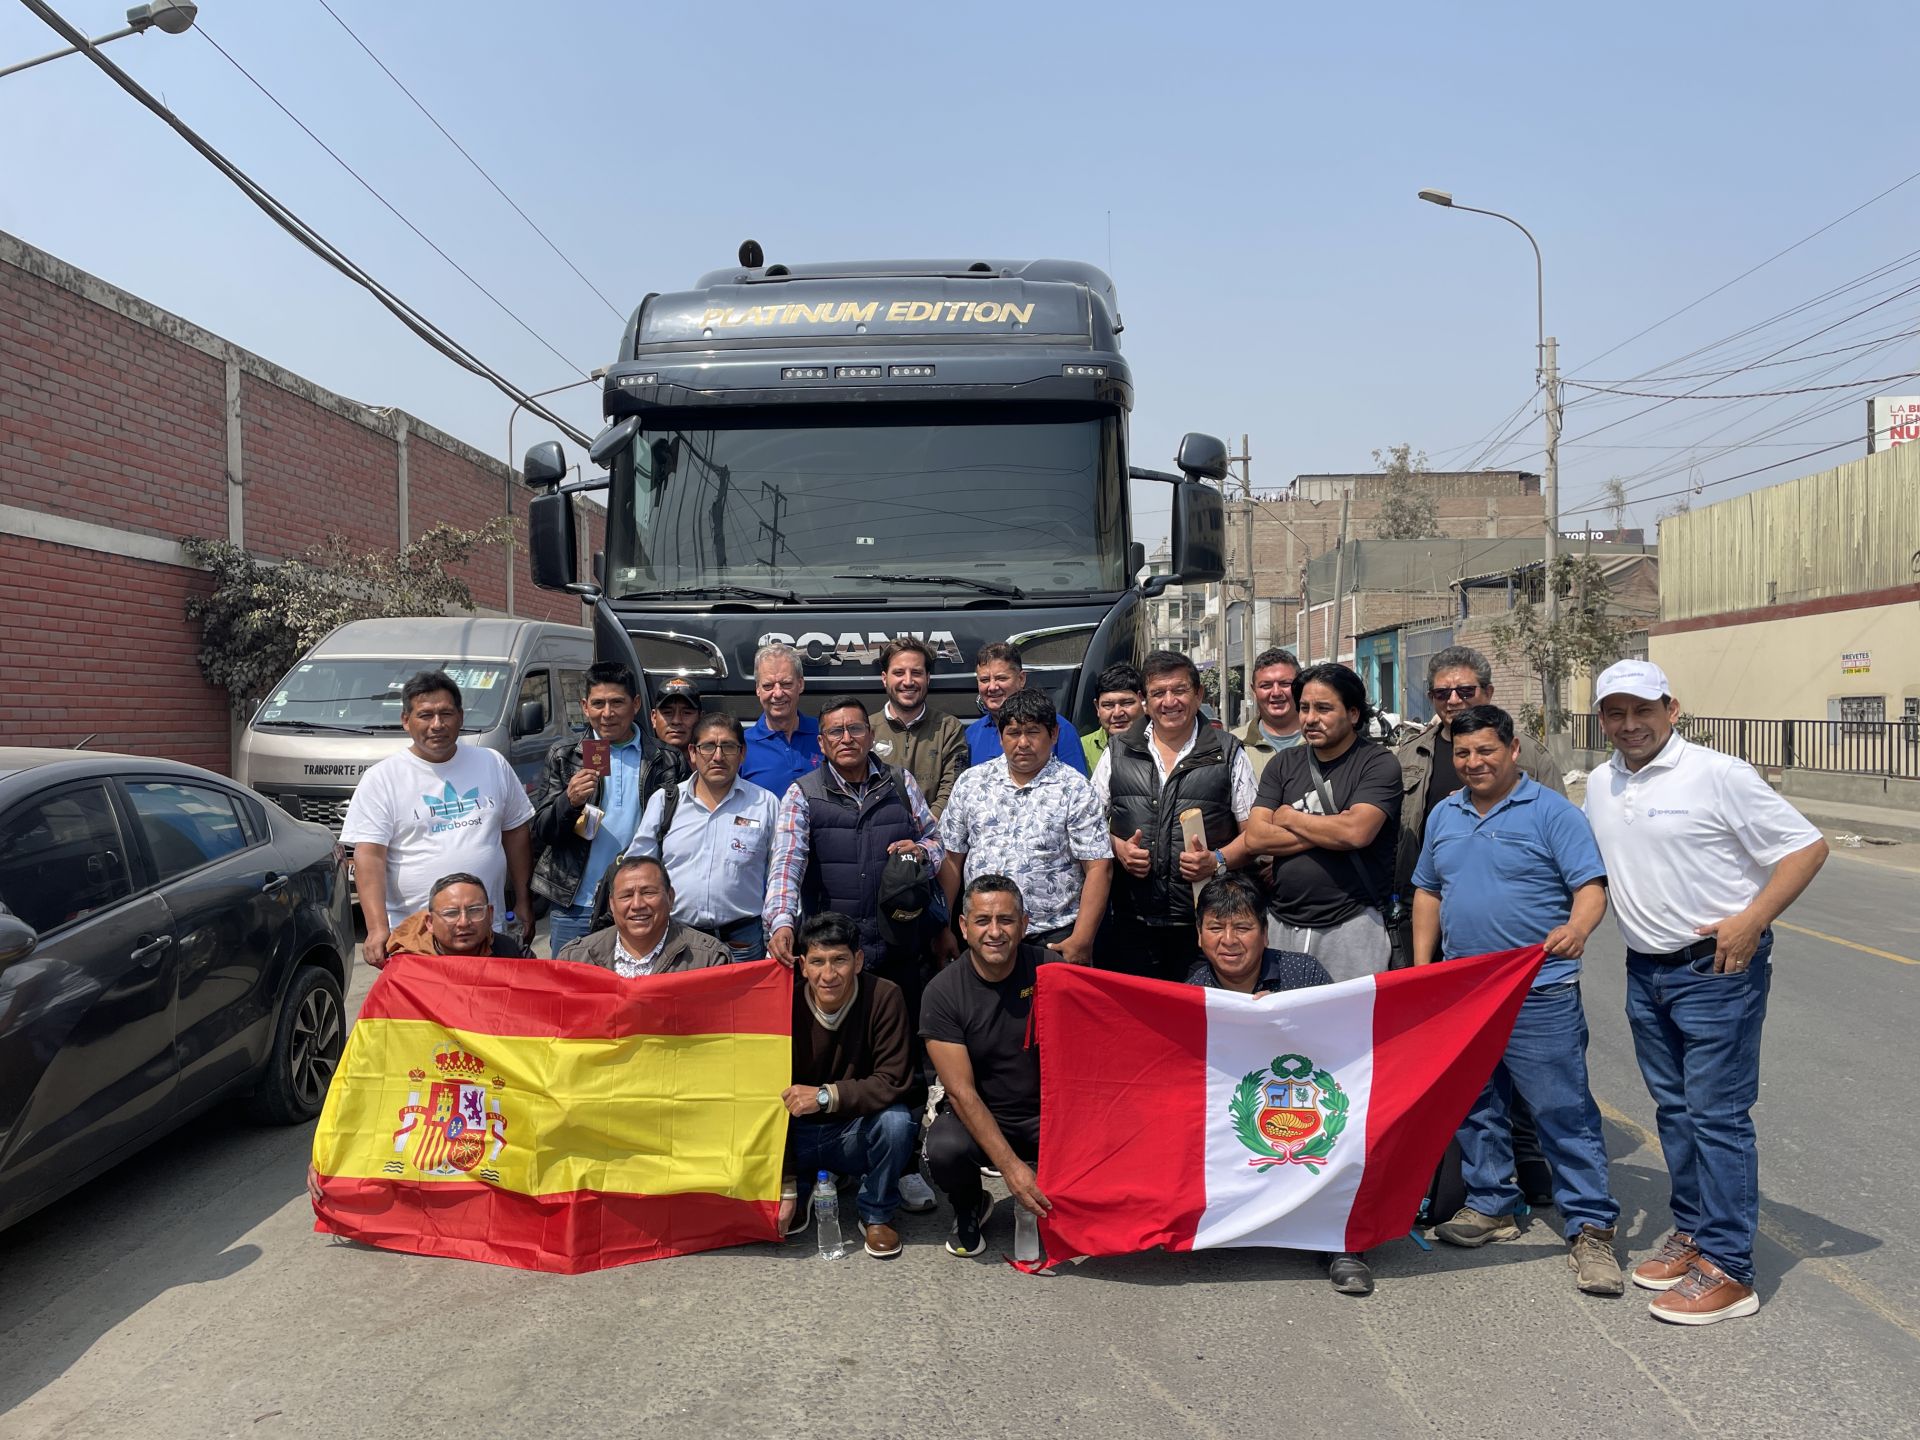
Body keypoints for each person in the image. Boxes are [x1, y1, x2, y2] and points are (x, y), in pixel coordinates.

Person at [1584, 660, 1828, 1326]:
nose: (1630, 725)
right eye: (1616, 712)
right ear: (1602, 717)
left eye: (1643, 710)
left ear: (1672, 708)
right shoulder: (1602, 784)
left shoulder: (1720, 774)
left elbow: (1806, 847)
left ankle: (1730, 1269)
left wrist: (1753, 919)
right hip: (1646, 971)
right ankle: (1694, 1232)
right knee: (1675, 1111)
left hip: (1716, 971)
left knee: (1717, 1115)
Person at [1411, 706, 1623, 1298]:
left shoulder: (1553, 813)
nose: (1474, 763)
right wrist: (1426, 971)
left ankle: (1590, 1228)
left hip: (1540, 993)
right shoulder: (1444, 814)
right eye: (1463, 754)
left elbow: (1589, 887)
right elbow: (1428, 890)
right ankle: (1492, 1205)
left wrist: (1579, 928)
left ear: (1511, 750)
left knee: (1563, 1112)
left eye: (1486, 751)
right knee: (1477, 1106)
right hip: (1467, 995)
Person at [1389, 644, 1562, 1198]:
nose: (1454, 701)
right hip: (1436, 927)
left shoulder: (1530, 756)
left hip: (1519, 950)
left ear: (1487, 694)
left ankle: (1536, 1174)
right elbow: (1416, 863)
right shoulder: (1410, 755)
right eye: (1443, 693)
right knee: (1463, 1071)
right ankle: (1474, 1185)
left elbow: (1561, 847)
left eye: (1466, 691)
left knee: (1533, 1075)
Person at [1182, 875, 1367, 1292]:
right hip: (1240, 1113)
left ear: (1264, 934)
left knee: (1351, 1130)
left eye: (1243, 927)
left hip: (1310, 1104)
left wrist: (1286, 1020)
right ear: (1199, 936)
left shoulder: (1303, 973)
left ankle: (1345, 1246)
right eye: (1216, 927)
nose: (1229, 940)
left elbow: (1345, 1047)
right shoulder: (1193, 991)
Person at [341, 670, 535, 967]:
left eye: (446, 713)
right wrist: (377, 928)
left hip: (486, 933)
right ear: (406, 720)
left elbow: (516, 833)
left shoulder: (491, 763)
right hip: (416, 939)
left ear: (460, 716)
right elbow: (370, 857)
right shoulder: (382, 778)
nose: (437, 724)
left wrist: (523, 900)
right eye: (425, 715)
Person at [1094, 650, 1260, 981]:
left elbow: (1255, 835)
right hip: (1132, 921)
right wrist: (1118, 848)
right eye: (1158, 693)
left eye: (1179, 690)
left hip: (1206, 925)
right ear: (1144, 700)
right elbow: (1088, 825)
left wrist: (1217, 861)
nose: (1169, 702)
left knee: (1198, 1021)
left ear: (1198, 694)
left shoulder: (1227, 754)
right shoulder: (1118, 751)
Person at [1243, 663, 1402, 983]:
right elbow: (1256, 838)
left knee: (1345, 1028)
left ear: (1354, 714)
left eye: (1324, 708)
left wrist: (1289, 817)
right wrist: (1333, 827)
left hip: (1351, 926)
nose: (1310, 718)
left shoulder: (1378, 763)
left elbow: (1357, 832)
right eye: (1304, 708)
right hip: (1282, 924)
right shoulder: (1283, 763)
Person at [920, 874, 1048, 1258]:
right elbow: (960, 1092)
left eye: (1006, 920)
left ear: (1024, 924)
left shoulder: (1050, 969)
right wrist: (1012, 1169)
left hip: (1046, 1112)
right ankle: (969, 1206)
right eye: (982, 921)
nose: (995, 932)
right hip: (982, 1111)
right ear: (963, 926)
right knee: (943, 1147)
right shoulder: (941, 993)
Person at [781, 913, 922, 1258]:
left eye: (839, 960)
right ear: (802, 965)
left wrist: (825, 1096)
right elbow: (762, 1091)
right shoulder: (783, 1002)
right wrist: (784, 1183)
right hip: (793, 1133)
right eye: (817, 962)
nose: (828, 975)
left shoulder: (885, 996)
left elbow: (893, 1080)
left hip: (850, 1130)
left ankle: (876, 1212)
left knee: (897, 1121)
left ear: (858, 960)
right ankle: (799, 1187)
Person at [938, 689, 1112, 964]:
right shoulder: (971, 783)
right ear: (1000, 735)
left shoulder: (1075, 789)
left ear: (1053, 734)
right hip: (985, 935)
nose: (1022, 743)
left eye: (1033, 732)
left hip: (1053, 937)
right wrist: (942, 928)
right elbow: (951, 859)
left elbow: (1099, 867)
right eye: (1013, 732)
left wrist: (1081, 939)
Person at [626, 711, 778, 963]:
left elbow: (780, 873)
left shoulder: (765, 804)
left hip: (741, 941)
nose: (718, 756)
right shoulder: (666, 801)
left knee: (738, 1004)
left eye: (728, 747)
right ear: (693, 753)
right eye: (708, 747)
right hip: (676, 937)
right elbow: (638, 867)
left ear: (742, 754)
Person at [531, 661, 649, 951]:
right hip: (577, 904)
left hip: (640, 904)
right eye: (598, 704)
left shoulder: (662, 758)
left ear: (635, 704)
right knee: (571, 991)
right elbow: (542, 831)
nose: (607, 713)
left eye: (617, 703)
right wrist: (568, 802)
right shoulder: (564, 755)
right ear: (585, 706)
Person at [556, 855, 731, 976]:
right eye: (626, 895)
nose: (638, 905)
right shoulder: (575, 959)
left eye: (648, 893)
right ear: (612, 904)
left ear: (670, 898)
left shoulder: (710, 960)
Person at [868, 637, 968, 819]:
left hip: (931, 838)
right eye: (899, 673)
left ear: (928, 678)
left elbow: (953, 788)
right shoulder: (866, 729)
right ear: (884, 679)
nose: (908, 681)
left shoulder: (949, 728)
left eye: (916, 673)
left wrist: (925, 831)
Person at [963, 642, 1090, 775]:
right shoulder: (971, 735)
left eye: (1001, 678)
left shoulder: (1058, 729)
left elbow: (1076, 786)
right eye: (984, 680)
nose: (992, 687)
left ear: (1021, 679)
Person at [741, 643, 823, 795]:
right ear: (757, 689)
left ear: (800, 684)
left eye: (786, 684)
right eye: (768, 686)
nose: (777, 693)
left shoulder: (826, 734)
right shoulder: (741, 746)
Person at [385, 872, 530, 958]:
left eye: (474, 910)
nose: (464, 922)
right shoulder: (407, 967)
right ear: (430, 922)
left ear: (490, 915)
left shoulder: (512, 951)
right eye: (451, 913)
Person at [1236, 647, 1305, 781]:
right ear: (1253, 690)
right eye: (1266, 686)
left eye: (1285, 684)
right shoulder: (1233, 745)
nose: (1276, 692)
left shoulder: (1323, 739)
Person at [1081, 663, 1144, 773]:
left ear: (1143, 702)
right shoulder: (1081, 748)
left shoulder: (1162, 745)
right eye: (1108, 705)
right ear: (1097, 707)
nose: (1117, 713)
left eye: (1127, 703)